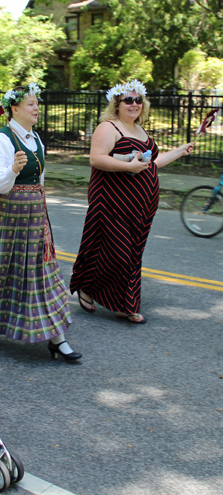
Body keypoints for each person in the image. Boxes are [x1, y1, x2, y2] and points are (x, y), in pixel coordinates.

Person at [0, 83, 81, 362]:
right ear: (15, 108)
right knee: (0, 271)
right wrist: (12, 169)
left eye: (36, 103)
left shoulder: (35, 139)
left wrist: (41, 210)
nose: (36, 108)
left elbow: (40, 179)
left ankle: (58, 339)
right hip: (6, 216)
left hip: (33, 217)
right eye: (31, 104)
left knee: (41, 273)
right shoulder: (1, 139)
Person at [69, 79, 194, 323]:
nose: (134, 104)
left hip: (141, 206)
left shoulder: (141, 130)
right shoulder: (109, 127)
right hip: (113, 201)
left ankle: (122, 303)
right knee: (119, 252)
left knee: (132, 253)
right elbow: (96, 159)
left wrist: (179, 151)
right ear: (117, 104)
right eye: (128, 100)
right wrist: (130, 166)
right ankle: (92, 288)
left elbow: (151, 164)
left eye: (138, 100)